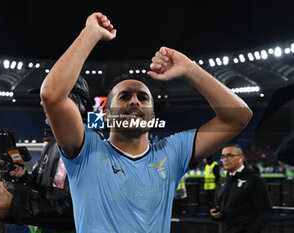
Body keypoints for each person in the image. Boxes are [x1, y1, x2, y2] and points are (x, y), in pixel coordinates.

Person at [40, 12, 253, 233]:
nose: (135, 101)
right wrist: (91, 33)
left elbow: (238, 118)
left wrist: (190, 69)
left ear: (152, 115)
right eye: (124, 97)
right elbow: (52, 96)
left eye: (143, 98)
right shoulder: (86, 148)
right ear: (107, 114)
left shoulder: (173, 152)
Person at [0, 76, 90, 232]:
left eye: (49, 97)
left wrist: (16, 204)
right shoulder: (52, 146)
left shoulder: (90, 146)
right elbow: (43, 188)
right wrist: (23, 177)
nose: (42, 103)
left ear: (75, 103)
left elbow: (78, 212)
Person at [210, 144, 272, 233]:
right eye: (223, 156)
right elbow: (220, 207)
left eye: (229, 155)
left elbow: (266, 212)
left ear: (241, 158)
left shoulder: (254, 180)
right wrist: (215, 214)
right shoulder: (222, 181)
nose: (225, 159)